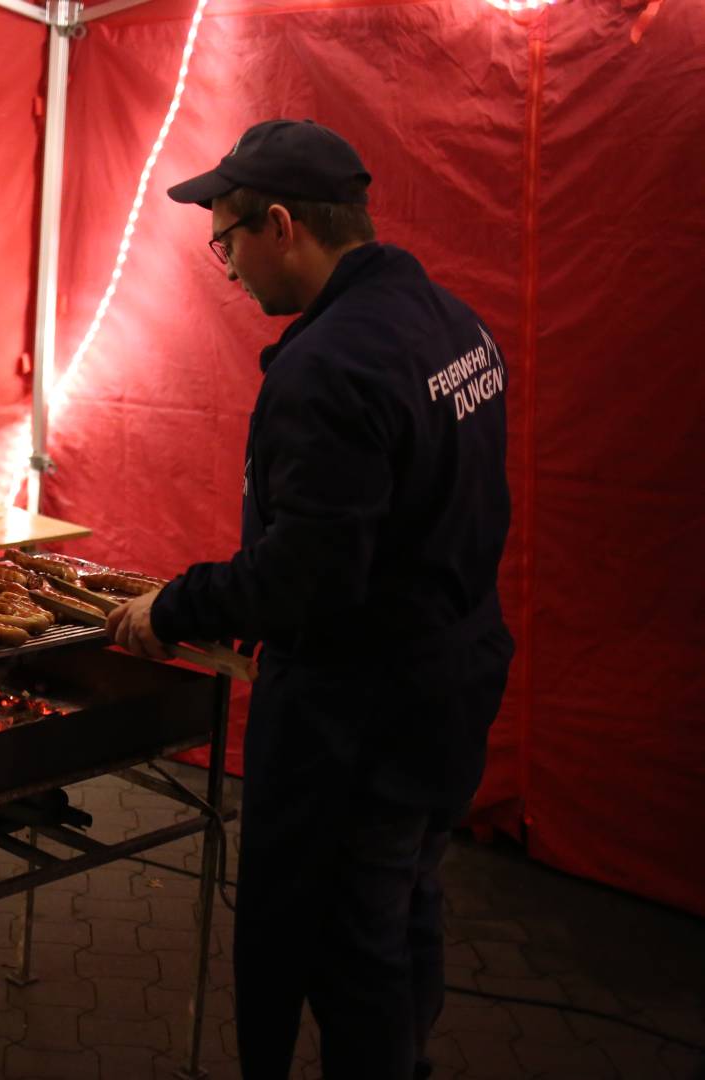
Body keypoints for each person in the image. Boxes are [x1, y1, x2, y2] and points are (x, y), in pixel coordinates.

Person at [107, 119, 514, 1080]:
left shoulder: (328, 366)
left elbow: (308, 573)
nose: (230, 269)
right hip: (451, 691)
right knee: (407, 911)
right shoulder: (455, 322)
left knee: (351, 953)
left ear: (280, 224)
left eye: (228, 242)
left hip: (363, 721)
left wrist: (175, 607)